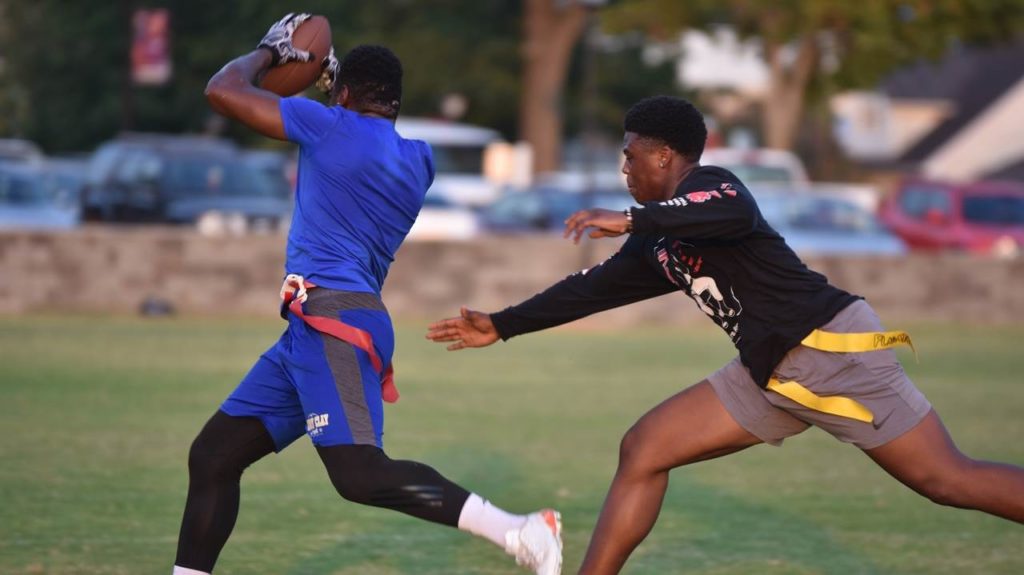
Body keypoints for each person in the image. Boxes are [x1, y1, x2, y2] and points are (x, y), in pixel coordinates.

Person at [426, 95, 1024, 574]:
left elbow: (728, 213)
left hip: (831, 348)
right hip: (770, 371)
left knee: (946, 480)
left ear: (664, 157)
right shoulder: (657, 239)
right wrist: (502, 324)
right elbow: (591, 289)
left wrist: (633, 217)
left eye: (631, 155)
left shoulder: (716, 185)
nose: (624, 168)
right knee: (644, 448)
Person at [172, 14, 562, 575]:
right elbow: (358, 134)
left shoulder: (327, 126)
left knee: (358, 473)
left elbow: (224, 91)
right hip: (322, 323)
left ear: (344, 94)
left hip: (333, 319)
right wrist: (333, 85)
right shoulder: (417, 160)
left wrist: (271, 51)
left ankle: (521, 532)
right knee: (213, 456)